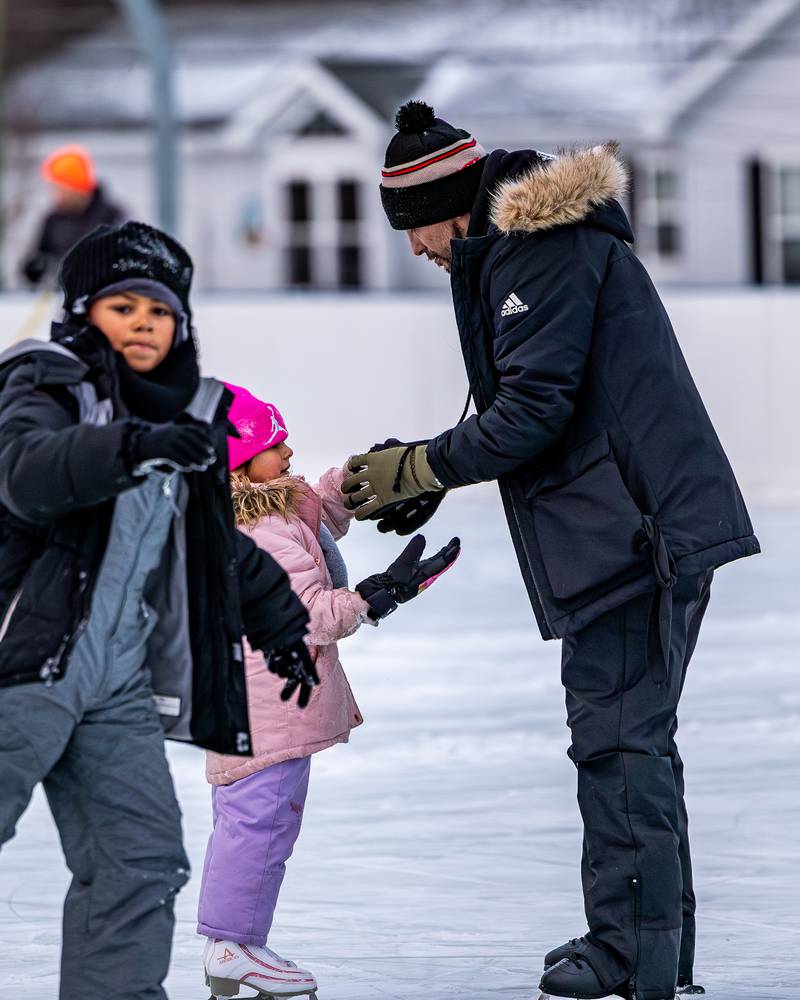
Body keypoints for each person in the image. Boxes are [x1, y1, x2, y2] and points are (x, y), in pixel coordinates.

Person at [342, 101, 760, 1000]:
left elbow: (535, 412)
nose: (414, 250)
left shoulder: (542, 250)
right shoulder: (530, 250)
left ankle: (629, 953)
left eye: (415, 228)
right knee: (633, 739)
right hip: (629, 522)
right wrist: (433, 474)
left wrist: (424, 464)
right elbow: (533, 399)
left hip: (632, 533)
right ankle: (651, 949)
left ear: (453, 202)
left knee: (616, 740)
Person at [0, 221, 319, 1000]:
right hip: (19, 661)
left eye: (161, 309)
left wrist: (278, 621)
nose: (145, 321)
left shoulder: (186, 418)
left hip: (114, 683)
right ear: (82, 312)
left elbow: (209, 544)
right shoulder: (44, 383)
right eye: (123, 305)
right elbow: (27, 474)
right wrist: (132, 446)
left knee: (138, 861)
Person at [198, 383, 460, 999]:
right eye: (272, 443)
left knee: (254, 824)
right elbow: (305, 613)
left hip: (260, 707)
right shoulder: (253, 534)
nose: (287, 450)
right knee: (258, 827)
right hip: (265, 709)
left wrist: (362, 477)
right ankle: (234, 947)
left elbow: (314, 509)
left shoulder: (264, 509)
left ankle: (233, 945)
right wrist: (370, 598)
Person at [20, 144, 125, 287]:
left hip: (103, 295)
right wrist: (37, 266)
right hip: (63, 298)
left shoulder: (111, 216)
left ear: (74, 187)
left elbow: (126, 261)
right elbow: (35, 264)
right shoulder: (52, 219)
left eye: (59, 188)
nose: (55, 195)